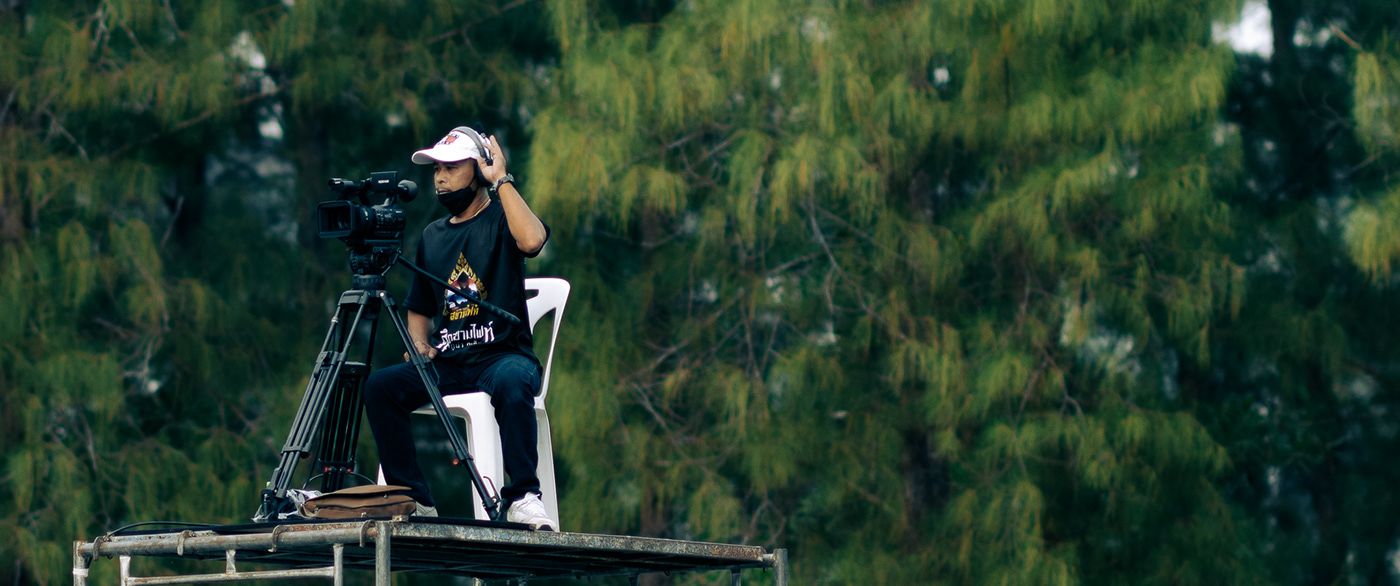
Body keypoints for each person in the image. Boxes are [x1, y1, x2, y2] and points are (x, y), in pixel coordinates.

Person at [361, 126, 553, 530]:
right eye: (436, 169)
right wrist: (419, 344)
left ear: (478, 167)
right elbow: (419, 306)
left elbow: (534, 240)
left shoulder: (502, 217)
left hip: (502, 356)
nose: (440, 177)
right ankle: (414, 499)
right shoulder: (432, 235)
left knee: (514, 380)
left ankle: (522, 496)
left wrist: (500, 179)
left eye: (450, 167)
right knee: (381, 388)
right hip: (450, 362)